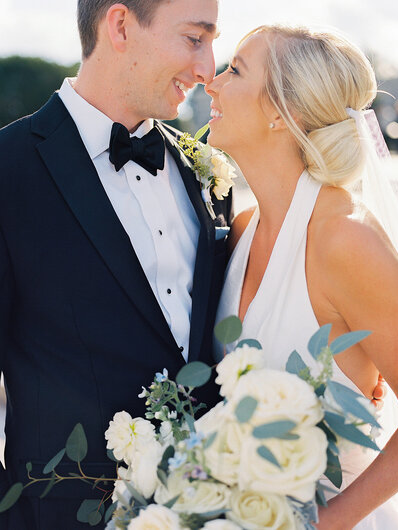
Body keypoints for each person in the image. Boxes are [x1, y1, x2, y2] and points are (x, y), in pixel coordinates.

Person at [0, 1, 232, 528]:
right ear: (121, 26)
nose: (207, 69)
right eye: (195, 38)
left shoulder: (207, 170)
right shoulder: (7, 170)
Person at [207, 26, 398, 528]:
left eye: (235, 70)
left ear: (281, 113)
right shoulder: (242, 230)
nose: (211, 82)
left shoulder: (345, 241)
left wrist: (326, 522)